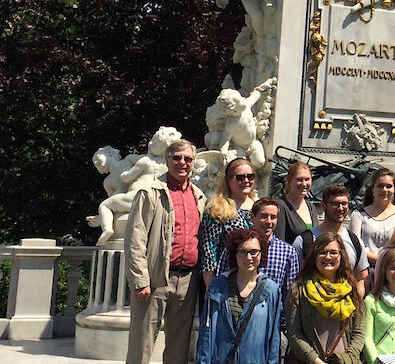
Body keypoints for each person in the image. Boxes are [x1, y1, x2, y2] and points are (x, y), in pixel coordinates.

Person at [124, 139, 206, 364]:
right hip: (155, 277)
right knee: (142, 343)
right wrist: (140, 280)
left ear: (193, 163)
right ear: (166, 160)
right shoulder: (150, 192)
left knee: (179, 347)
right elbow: (135, 238)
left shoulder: (199, 197)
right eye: (177, 158)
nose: (182, 163)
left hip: (188, 279)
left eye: (187, 159)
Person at [196, 229, 281, 364]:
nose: (248, 258)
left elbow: (274, 338)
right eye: (242, 252)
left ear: (262, 253)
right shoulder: (218, 286)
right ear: (234, 254)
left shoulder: (270, 290)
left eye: (254, 252)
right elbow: (206, 332)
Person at [288, 232, 365, 364]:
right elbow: (294, 334)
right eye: (322, 252)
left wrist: (346, 359)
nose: (328, 257)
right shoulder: (299, 290)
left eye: (334, 252)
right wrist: (315, 361)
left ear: (341, 256)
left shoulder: (352, 290)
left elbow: (359, 332)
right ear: (314, 256)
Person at [294, 183, 370, 296]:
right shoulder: (304, 240)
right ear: (323, 206)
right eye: (335, 204)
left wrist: (355, 303)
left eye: (344, 204)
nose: (340, 208)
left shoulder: (355, 241)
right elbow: (296, 279)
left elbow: (362, 278)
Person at [199, 158, 255, 287]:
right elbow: (208, 250)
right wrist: (210, 285)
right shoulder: (217, 208)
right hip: (224, 279)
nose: (246, 181)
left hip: (252, 280)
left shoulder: (258, 207)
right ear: (228, 180)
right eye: (240, 177)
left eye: (250, 176)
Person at [251, 198, 300, 335]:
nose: (268, 221)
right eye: (263, 216)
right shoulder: (238, 247)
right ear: (252, 217)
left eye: (273, 217)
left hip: (272, 325)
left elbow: (290, 295)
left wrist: (283, 328)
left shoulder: (288, 252)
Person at [350, 168, 395, 268]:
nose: (384, 190)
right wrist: (380, 260)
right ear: (373, 189)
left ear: (394, 189)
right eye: (380, 186)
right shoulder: (358, 215)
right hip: (365, 272)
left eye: (388, 186)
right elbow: (355, 246)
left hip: (393, 272)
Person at [276, 161, 319, 245]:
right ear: (289, 181)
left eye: (307, 179)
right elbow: (280, 241)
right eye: (299, 180)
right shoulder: (280, 206)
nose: (304, 184)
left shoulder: (311, 206)